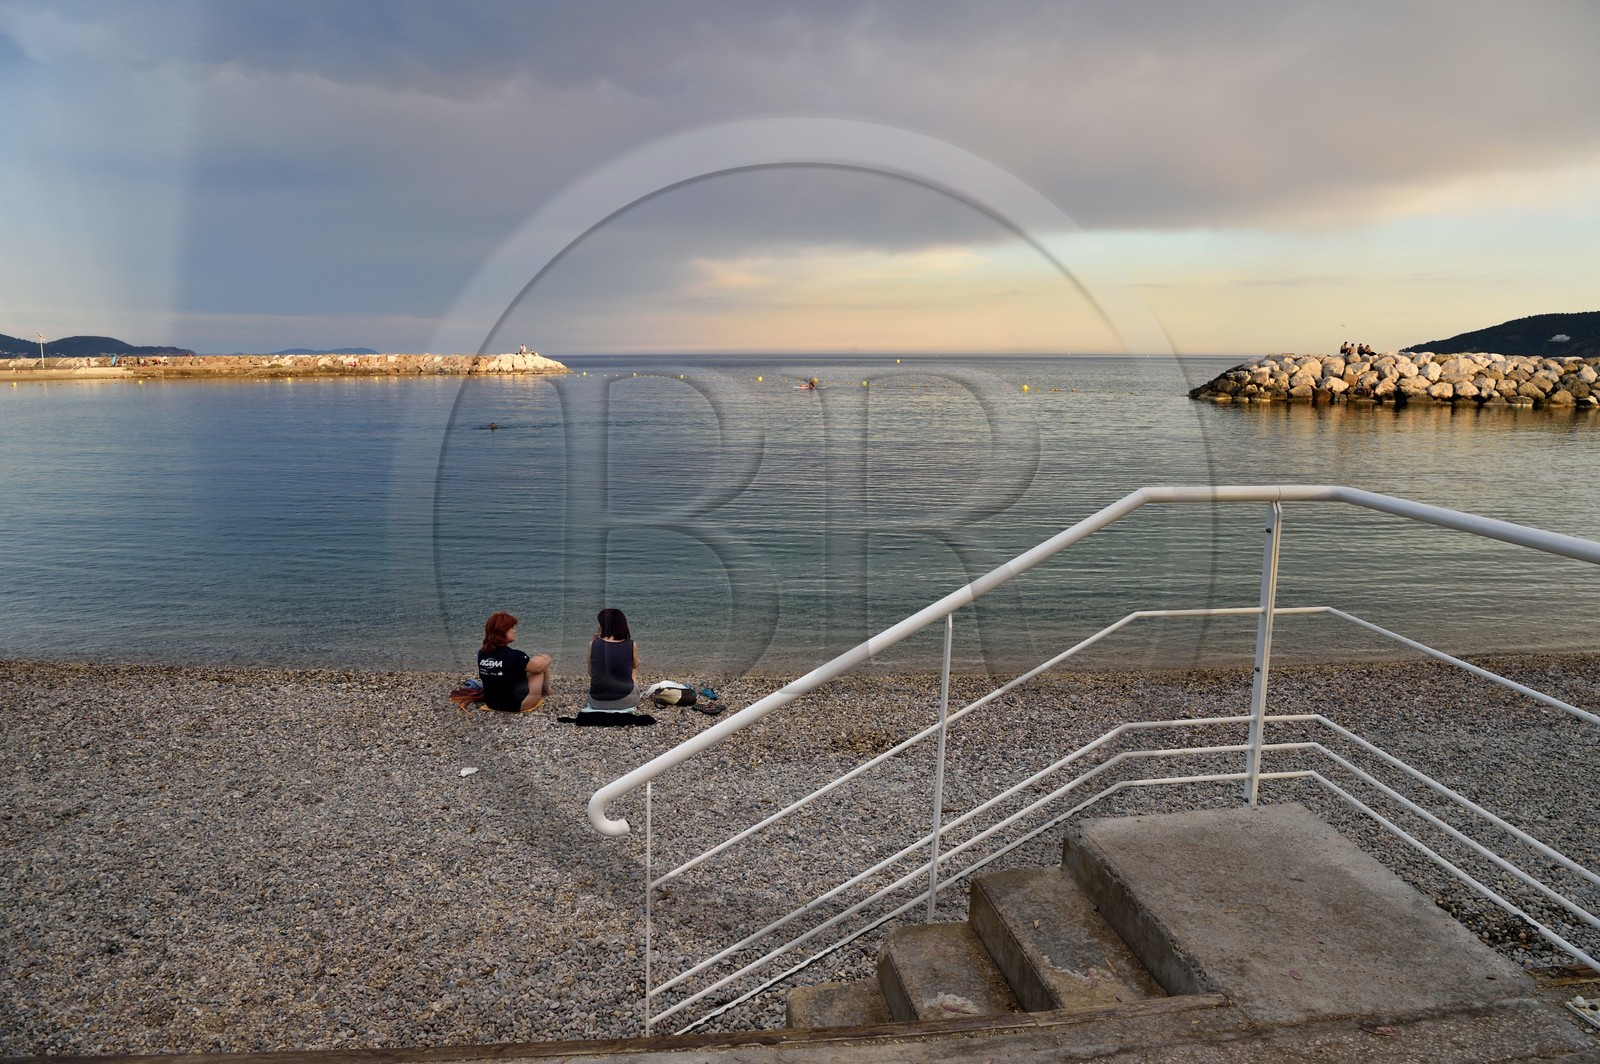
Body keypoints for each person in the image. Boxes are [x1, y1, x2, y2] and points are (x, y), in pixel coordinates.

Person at [476, 611, 553, 712]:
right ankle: (547, 691)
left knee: (531, 664)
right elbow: (538, 668)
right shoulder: (516, 656)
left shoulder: (482, 653)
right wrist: (547, 658)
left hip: (491, 703)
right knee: (540, 666)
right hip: (517, 704)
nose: (515, 631)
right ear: (502, 631)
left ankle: (547, 690)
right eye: (512, 628)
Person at [588, 607, 642, 711]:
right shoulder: (631, 645)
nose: (597, 626)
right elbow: (635, 665)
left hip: (596, 702)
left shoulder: (592, 644)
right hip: (626, 701)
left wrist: (596, 644)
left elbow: (591, 673)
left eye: (599, 623)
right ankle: (629, 689)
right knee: (633, 666)